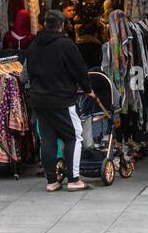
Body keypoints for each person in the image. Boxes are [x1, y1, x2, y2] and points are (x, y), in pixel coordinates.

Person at [25, 10, 97, 192]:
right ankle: (74, 180)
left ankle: (51, 181)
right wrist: (88, 90)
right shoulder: (65, 45)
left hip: (39, 101)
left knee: (47, 139)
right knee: (73, 136)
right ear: (62, 25)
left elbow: (28, 73)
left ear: (44, 25)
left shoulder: (33, 45)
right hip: (62, 100)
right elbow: (79, 70)